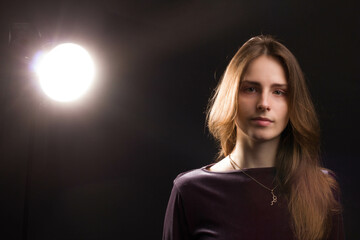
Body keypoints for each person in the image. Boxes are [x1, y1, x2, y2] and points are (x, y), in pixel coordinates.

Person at [162, 35, 344, 240]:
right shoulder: (190, 191)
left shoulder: (321, 187)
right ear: (231, 95)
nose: (264, 103)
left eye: (278, 91)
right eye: (251, 89)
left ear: (293, 102)